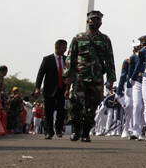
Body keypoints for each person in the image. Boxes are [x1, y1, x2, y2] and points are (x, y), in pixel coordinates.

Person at [65, 10, 116, 142]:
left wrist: (111, 78)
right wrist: (68, 75)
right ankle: (76, 130)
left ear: (101, 22)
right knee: (75, 105)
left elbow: (110, 59)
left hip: (96, 78)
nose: (95, 21)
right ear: (88, 21)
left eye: (98, 19)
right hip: (80, 77)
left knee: (91, 106)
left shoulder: (105, 39)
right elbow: (71, 57)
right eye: (92, 19)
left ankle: (85, 133)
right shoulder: (78, 38)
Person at [34, 39, 68, 139]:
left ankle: (58, 129)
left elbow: (70, 75)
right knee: (48, 112)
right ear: (57, 47)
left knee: (61, 111)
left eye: (66, 47)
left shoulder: (67, 60)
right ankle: (49, 132)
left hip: (62, 89)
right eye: (63, 47)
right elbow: (40, 75)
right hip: (49, 90)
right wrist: (37, 88)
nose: (65, 49)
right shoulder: (47, 59)